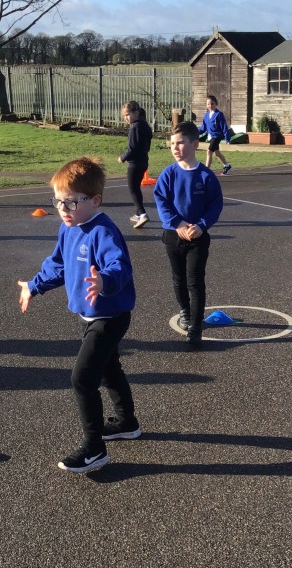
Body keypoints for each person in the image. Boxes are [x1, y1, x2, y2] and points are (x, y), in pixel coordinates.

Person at [17, 157, 141, 474]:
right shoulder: (68, 229)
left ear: (95, 200)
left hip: (109, 317)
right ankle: (127, 422)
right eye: (58, 201)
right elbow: (58, 265)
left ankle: (94, 449)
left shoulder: (103, 232)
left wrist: (104, 281)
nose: (63, 208)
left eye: (71, 202)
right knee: (109, 369)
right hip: (90, 315)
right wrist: (34, 286)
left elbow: (119, 267)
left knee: (82, 378)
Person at [154, 121, 223, 347]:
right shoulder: (168, 174)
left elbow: (215, 205)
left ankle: (195, 326)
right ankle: (185, 311)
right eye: (172, 144)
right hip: (174, 236)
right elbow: (161, 201)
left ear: (195, 144)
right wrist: (177, 223)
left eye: (180, 143)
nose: (175, 147)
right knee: (179, 279)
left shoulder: (206, 176)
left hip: (198, 237)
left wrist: (201, 225)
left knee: (195, 281)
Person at [119, 100, 153, 228]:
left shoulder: (135, 128)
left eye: (128, 114)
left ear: (136, 113)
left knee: (132, 189)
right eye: (124, 115)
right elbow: (146, 146)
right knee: (137, 188)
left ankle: (143, 214)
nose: (126, 118)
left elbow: (132, 149)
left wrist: (122, 158)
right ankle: (138, 214)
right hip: (144, 161)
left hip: (135, 164)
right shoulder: (145, 125)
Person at [198, 95, 232, 175]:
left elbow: (224, 127)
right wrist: (195, 132)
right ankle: (227, 166)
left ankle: (206, 171)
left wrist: (227, 138)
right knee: (217, 153)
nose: (210, 105)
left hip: (217, 136)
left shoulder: (219, 114)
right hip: (211, 136)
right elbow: (203, 128)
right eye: (208, 104)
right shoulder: (206, 115)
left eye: (212, 103)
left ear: (216, 104)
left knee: (209, 151)